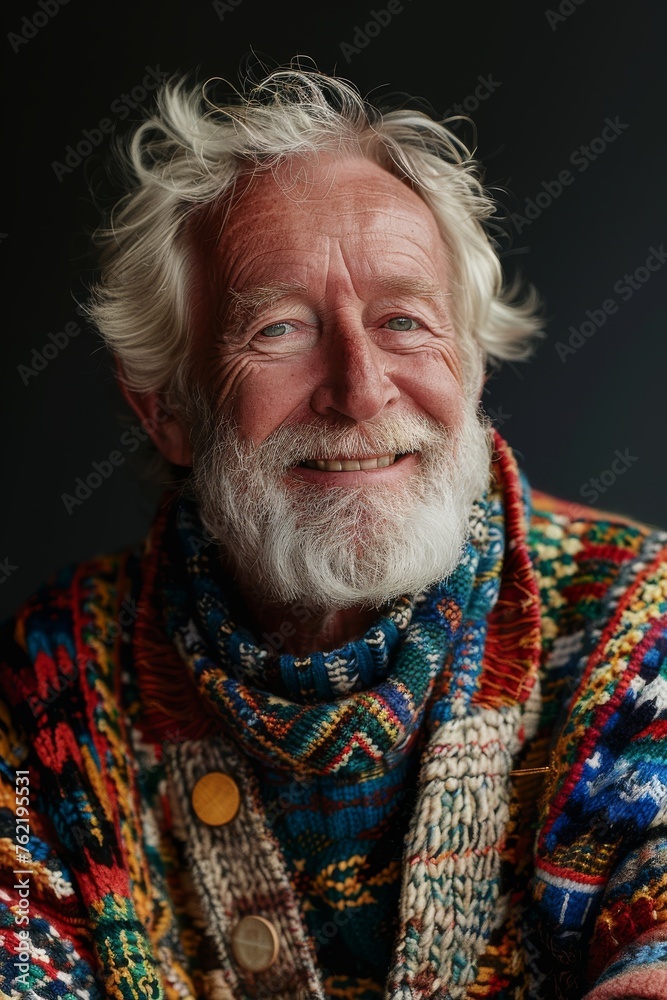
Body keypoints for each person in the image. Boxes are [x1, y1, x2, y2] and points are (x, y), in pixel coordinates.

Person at [1, 66, 666, 1000]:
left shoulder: (639, 632)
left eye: (403, 321)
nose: (359, 391)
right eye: (278, 329)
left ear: (470, 365)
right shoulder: (43, 694)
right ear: (165, 410)